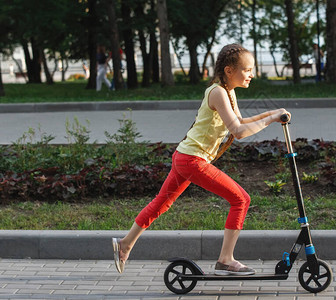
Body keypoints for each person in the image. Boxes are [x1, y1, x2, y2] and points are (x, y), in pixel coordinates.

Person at [112, 43, 290, 276]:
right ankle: (226, 260)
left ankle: (125, 244)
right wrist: (270, 119)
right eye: (247, 70)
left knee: (162, 203)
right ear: (229, 71)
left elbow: (241, 121)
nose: (252, 75)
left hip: (184, 157)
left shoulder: (228, 92)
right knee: (241, 200)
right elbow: (237, 131)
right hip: (192, 160)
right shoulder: (217, 92)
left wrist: (272, 114)